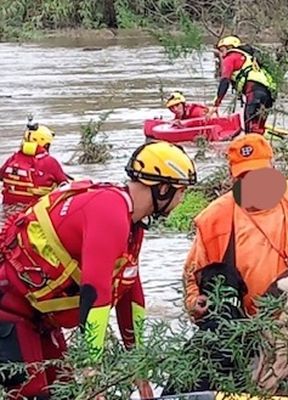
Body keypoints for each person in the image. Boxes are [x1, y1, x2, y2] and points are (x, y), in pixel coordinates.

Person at [0, 140, 197, 399]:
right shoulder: (109, 211)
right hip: (10, 310)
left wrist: (139, 370)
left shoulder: (132, 224)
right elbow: (96, 294)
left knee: (64, 390)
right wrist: (92, 371)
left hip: (40, 318)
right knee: (34, 394)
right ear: (162, 189)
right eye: (181, 191)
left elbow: (130, 294)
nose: (182, 199)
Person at [182, 134, 288, 321]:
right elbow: (192, 277)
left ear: (274, 169)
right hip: (255, 325)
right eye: (244, 177)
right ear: (232, 178)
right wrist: (194, 302)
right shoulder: (214, 219)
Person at [206, 35, 276, 135]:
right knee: (258, 127)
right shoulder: (249, 58)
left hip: (254, 93)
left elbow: (224, 81)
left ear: (230, 48)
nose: (221, 54)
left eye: (222, 50)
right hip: (268, 95)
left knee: (249, 128)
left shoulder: (231, 57)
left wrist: (216, 104)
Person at [1, 123, 70, 206]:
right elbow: (65, 186)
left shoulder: (12, 159)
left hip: (7, 209)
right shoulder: (50, 162)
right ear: (46, 144)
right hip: (34, 211)